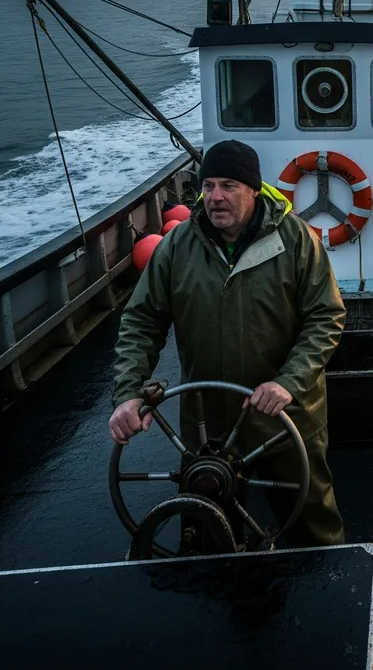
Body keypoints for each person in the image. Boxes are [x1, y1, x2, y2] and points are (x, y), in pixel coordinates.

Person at [109, 138, 347, 547]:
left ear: (254, 189)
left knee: (311, 516)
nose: (215, 197)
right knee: (210, 521)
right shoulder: (177, 246)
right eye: (208, 186)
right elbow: (142, 320)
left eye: (229, 186)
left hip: (286, 414)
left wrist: (288, 383)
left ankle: (329, 584)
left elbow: (325, 317)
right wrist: (129, 392)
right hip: (207, 419)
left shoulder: (296, 240)